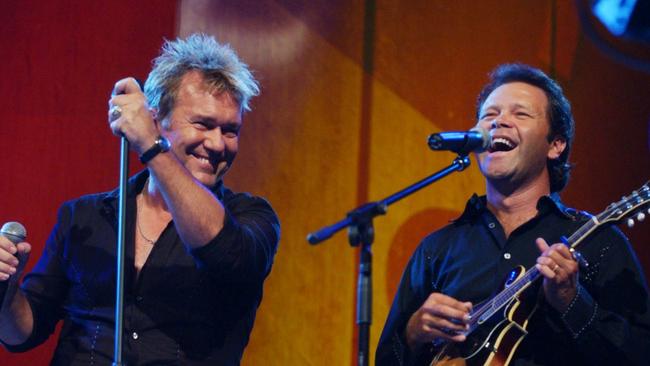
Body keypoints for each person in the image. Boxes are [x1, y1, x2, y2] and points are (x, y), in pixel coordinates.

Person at [0, 33, 280, 365]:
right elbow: (23, 333)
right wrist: (6, 288)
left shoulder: (252, 219)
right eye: (203, 124)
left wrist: (150, 147)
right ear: (157, 119)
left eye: (230, 130)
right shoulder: (85, 217)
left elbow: (223, 252)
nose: (218, 144)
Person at [376, 64, 650, 365]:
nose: (499, 122)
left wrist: (572, 302)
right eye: (489, 115)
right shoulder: (437, 249)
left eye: (520, 114)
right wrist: (414, 332)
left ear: (556, 145)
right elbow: (386, 358)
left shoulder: (598, 241)